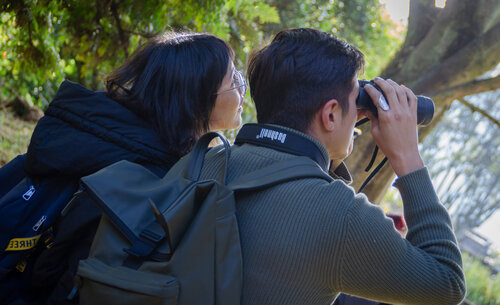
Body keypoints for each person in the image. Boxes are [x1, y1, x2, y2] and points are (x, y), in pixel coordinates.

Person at [175, 28, 465, 304]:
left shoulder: (200, 161)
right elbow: (447, 283)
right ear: (330, 114)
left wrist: (332, 140)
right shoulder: (341, 216)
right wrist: (407, 157)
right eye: (355, 101)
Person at [3, 32, 245, 304]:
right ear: (198, 94)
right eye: (233, 77)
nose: (242, 85)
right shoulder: (143, 175)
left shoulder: (105, 135)